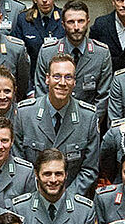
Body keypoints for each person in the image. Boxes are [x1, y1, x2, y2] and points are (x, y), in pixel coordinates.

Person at [14, 55, 101, 197]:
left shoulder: (87, 117)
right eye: (57, 76)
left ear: (74, 82)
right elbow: (20, 166)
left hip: (72, 200)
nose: (62, 83)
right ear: (47, 79)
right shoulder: (25, 114)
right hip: (32, 199)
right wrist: (39, 196)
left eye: (68, 77)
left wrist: (66, 198)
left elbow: (89, 170)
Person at [33, 2, 114, 121]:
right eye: (71, 22)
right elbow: (41, 90)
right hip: (52, 119)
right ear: (63, 24)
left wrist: (89, 123)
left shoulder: (101, 53)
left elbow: (103, 96)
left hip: (88, 121)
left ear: (88, 22)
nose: (76, 27)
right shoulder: (48, 52)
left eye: (81, 21)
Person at [13, 0, 64, 79]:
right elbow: (17, 55)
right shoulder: (23, 19)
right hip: (31, 78)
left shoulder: (64, 18)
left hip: (59, 78)